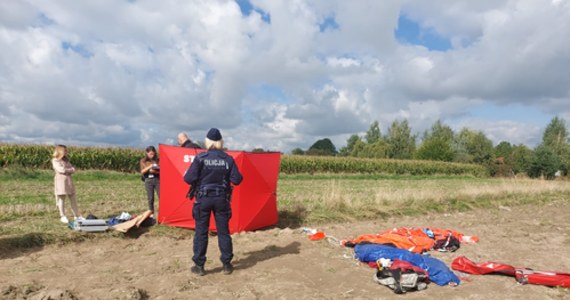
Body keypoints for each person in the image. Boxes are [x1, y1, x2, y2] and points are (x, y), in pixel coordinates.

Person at [184, 128, 243, 276]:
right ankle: (227, 265)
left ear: (207, 141)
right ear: (220, 142)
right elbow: (237, 179)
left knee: (201, 232)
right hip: (221, 199)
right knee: (223, 232)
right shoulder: (228, 159)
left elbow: (188, 179)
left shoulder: (200, 158)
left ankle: (199, 266)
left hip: (203, 199)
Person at [51, 145, 83, 223]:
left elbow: (72, 169)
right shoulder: (55, 160)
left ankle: (77, 216)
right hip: (61, 181)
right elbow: (61, 170)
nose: (66, 152)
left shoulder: (66, 160)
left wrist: (69, 170)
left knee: (73, 198)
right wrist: (70, 170)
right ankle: (62, 216)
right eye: (65, 151)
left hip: (69, 180)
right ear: (60, 151)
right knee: (61, 198)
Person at [140, 145, 160, 214]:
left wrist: (155, 171)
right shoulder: (143, 161)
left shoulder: (158, 160)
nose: (152, 155)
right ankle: (151, 213)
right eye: (150, 154)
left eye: (153, 153)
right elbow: (142, 171)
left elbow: (162, 170)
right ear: (147, 153)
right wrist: (150, 166)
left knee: (161, 196)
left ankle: (162, 212)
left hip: (157, 179)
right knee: (150, 198)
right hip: (148, 180)